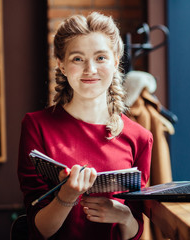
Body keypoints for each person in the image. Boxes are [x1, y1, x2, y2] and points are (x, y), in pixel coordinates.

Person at [17, 12, 153, 240]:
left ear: (116, 60)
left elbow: (135, 231)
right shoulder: (36, 126)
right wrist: (67, 196)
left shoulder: (140, 137)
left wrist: (124, 216)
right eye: (78, 59)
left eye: (101, 58)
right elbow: (38, 230)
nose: (90, 69)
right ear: (61, 64)